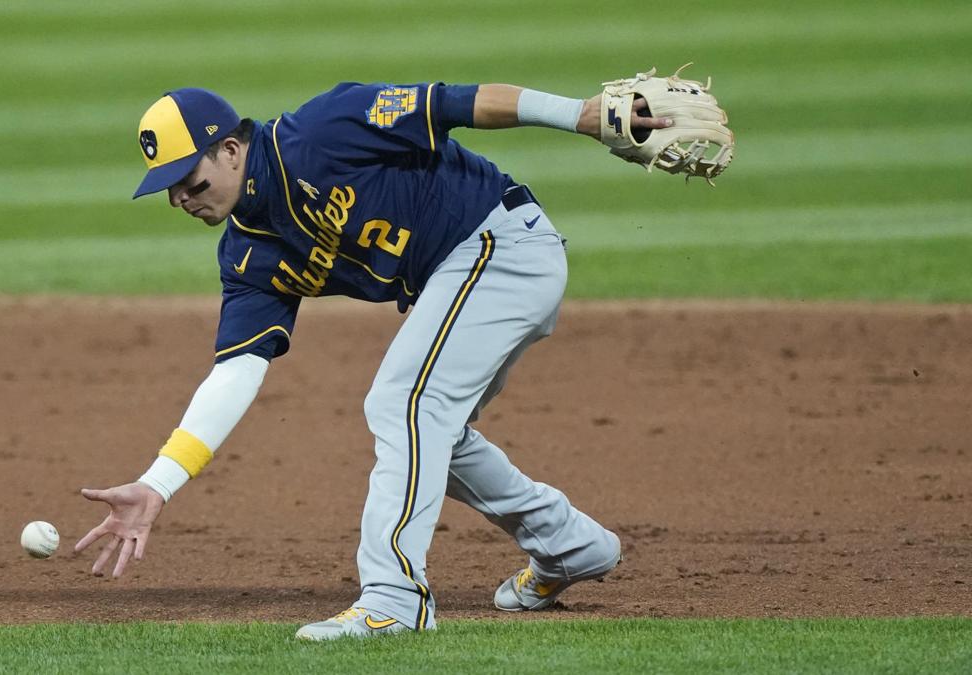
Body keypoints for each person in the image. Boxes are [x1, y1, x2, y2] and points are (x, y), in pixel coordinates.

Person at [74, 80, 670, 640]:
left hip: (502, 244)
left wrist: (578, 116)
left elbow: (460, 103)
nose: (181, 198)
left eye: (191, 181)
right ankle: (567, 544)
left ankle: (394, 599)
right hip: (467, 272)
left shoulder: (322, 130)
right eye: (169, 188)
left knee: (404, 403)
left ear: (230, 150)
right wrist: (159, 483)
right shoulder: (247, 255)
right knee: (434, 431)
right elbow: (236, 371)